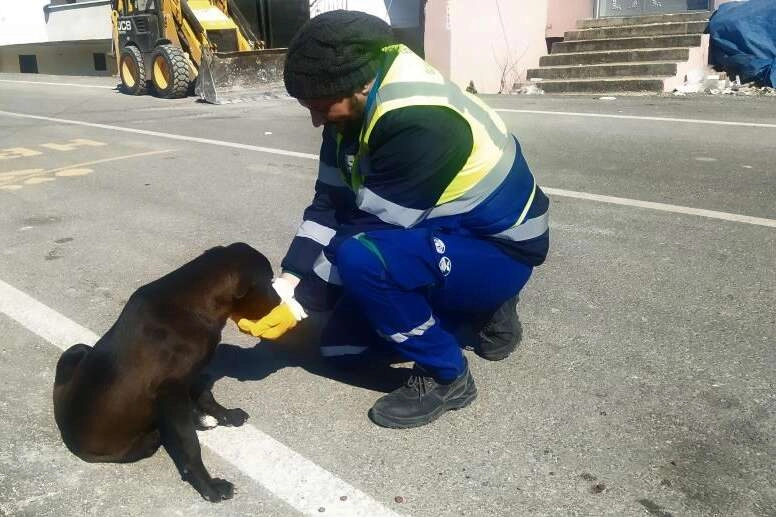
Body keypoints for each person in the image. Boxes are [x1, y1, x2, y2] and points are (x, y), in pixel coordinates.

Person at [238, 10, 549, 429]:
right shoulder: (348, 114)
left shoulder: (421, 120)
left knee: (364, 260)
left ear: (354, 87)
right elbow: (329, 204)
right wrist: (290, 280)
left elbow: (371, 230)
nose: (315, 119)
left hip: (499, 247)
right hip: (438, 231)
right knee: (341, 352)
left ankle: (447, 372)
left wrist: (298, 306)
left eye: (318, 106)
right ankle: (468, 309)